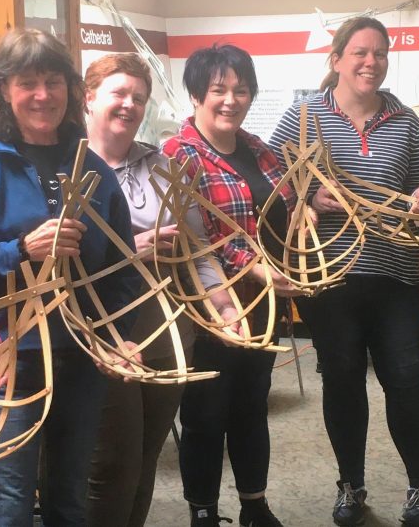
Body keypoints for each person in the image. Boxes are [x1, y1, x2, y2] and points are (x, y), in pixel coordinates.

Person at [0, 29, 139, 527]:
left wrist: (118, 338)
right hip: (9, 360)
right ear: (5, 90)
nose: (43, 95)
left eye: (53, 81)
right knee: (9, 504)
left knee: (71, 498)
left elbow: (121, 272)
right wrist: (19, 250)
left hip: (83, 357)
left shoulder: (92, 169)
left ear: (71, 89)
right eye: (28, 82)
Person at [268, 17, 419, 527]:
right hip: (329, 278)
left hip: (395, 274)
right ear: (337, 58)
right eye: (360, 52)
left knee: (407, 379)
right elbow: (269, 178)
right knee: (342, 379)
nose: (371, 62)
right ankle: (350, 484)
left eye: (380, 54)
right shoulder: (303, 117)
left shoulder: (405, 121)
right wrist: (304, 193)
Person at [81, 53, 238, 527]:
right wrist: (134, 247)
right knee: (110, 464)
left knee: (145, 456)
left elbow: (199, 249)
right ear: (89, 98)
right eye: (117, 93)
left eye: (138, 97)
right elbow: (59, 260)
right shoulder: (64, 169)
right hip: (103, 334)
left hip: (167, 332)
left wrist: (225, 306)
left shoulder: (163, 166)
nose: (129, 104)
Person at [161, 43, 301, 527]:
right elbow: (200, 238)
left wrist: (310, 208)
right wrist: (258, 266)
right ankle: (203, 512)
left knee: (251, 405)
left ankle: (254, 505)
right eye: (219, 89)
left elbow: (283, 212)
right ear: (198, 92)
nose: (231, 99)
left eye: (241, 90)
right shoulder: (178, 155)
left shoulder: (258, 149)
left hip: (264, 302)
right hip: (206, 304)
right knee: (206, 413)